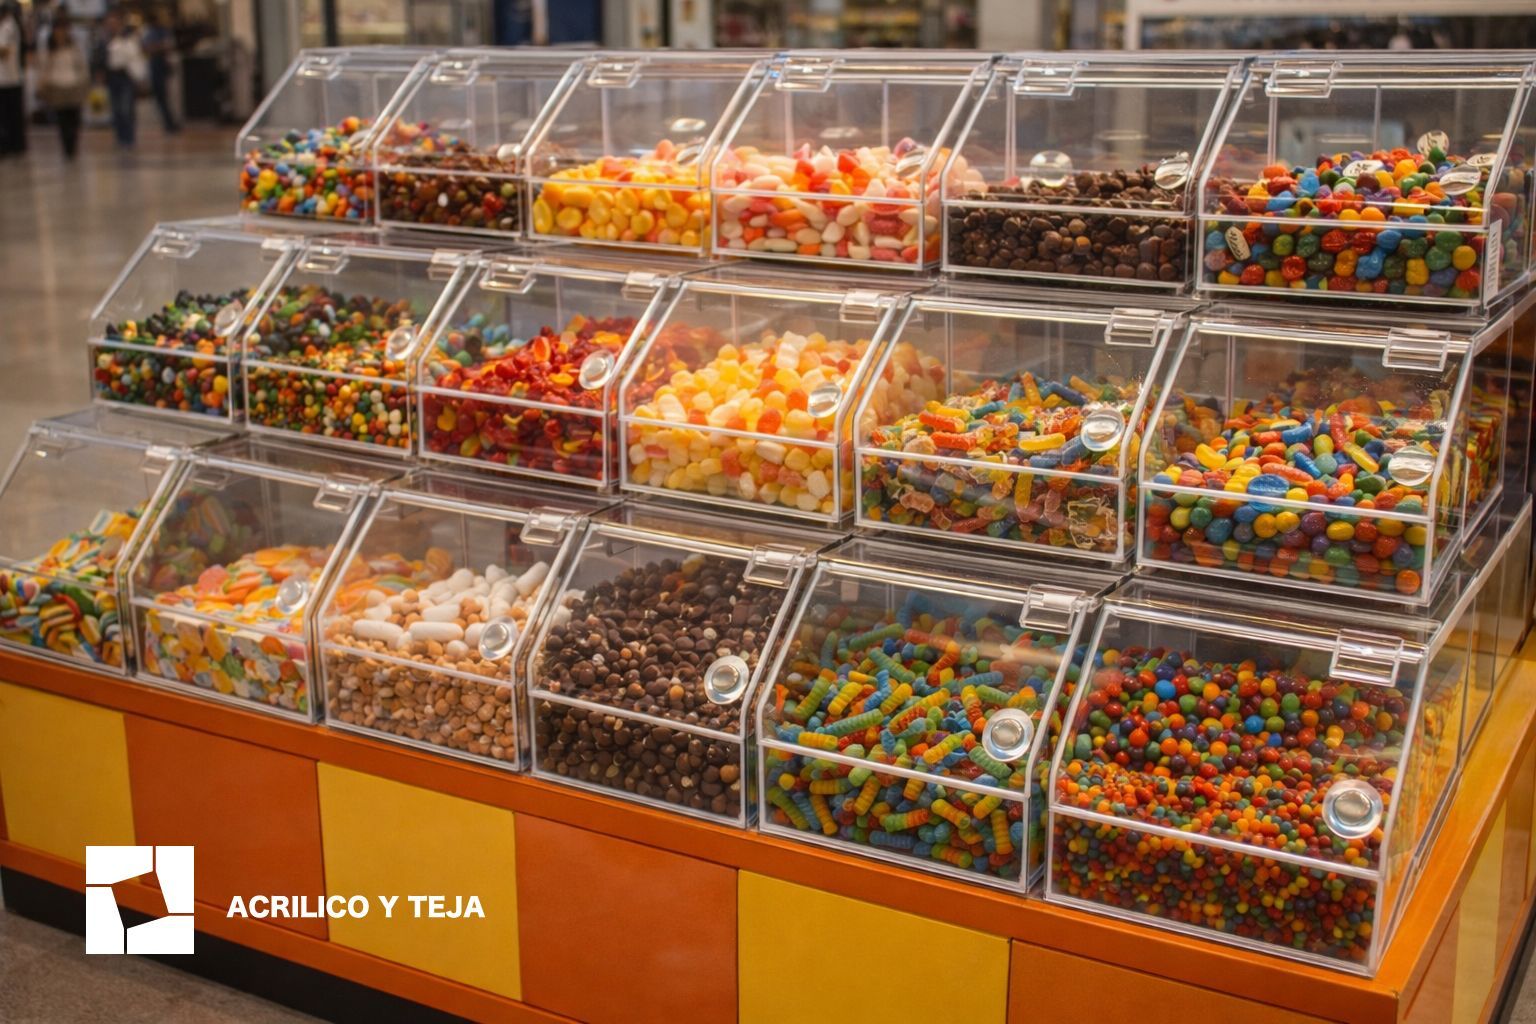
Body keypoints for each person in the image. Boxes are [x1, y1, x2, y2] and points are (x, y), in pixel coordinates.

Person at [37, 10, 87, 160]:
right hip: (57, 87)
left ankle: (73, 146)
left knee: (74, 120)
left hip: (73, 85)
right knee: (62, 121)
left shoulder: (73, 46)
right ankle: (67, 150)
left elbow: (81, 65)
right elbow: (44, 68)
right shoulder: (49, 49)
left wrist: (84, 82)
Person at [101, 10, 144, 147]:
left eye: (114, 23)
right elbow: (101, 58)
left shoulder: (127, 37)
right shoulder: (105, 39)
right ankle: (120, 138)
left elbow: (134, 56)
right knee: (116, 109)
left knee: (126, 108)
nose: (111, 26)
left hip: (125, 75)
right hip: (112, 76)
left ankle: (129, 138)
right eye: (109, 23)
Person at [141, 8, 177, 133]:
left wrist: (156, 47)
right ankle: (168, 123)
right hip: (155, 65)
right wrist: (157, 47)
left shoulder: (161, 32)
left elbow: (167, 46)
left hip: (162, 65)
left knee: (165, 96)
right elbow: (147, 48)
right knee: (160, 97)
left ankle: (170, 123)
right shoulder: (150, 32)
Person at [0, 1, 24, 157]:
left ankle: (13, 145)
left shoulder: (9, 26)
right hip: (5, 79)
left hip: (9, 79)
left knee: (10, 116)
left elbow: (5, 51)